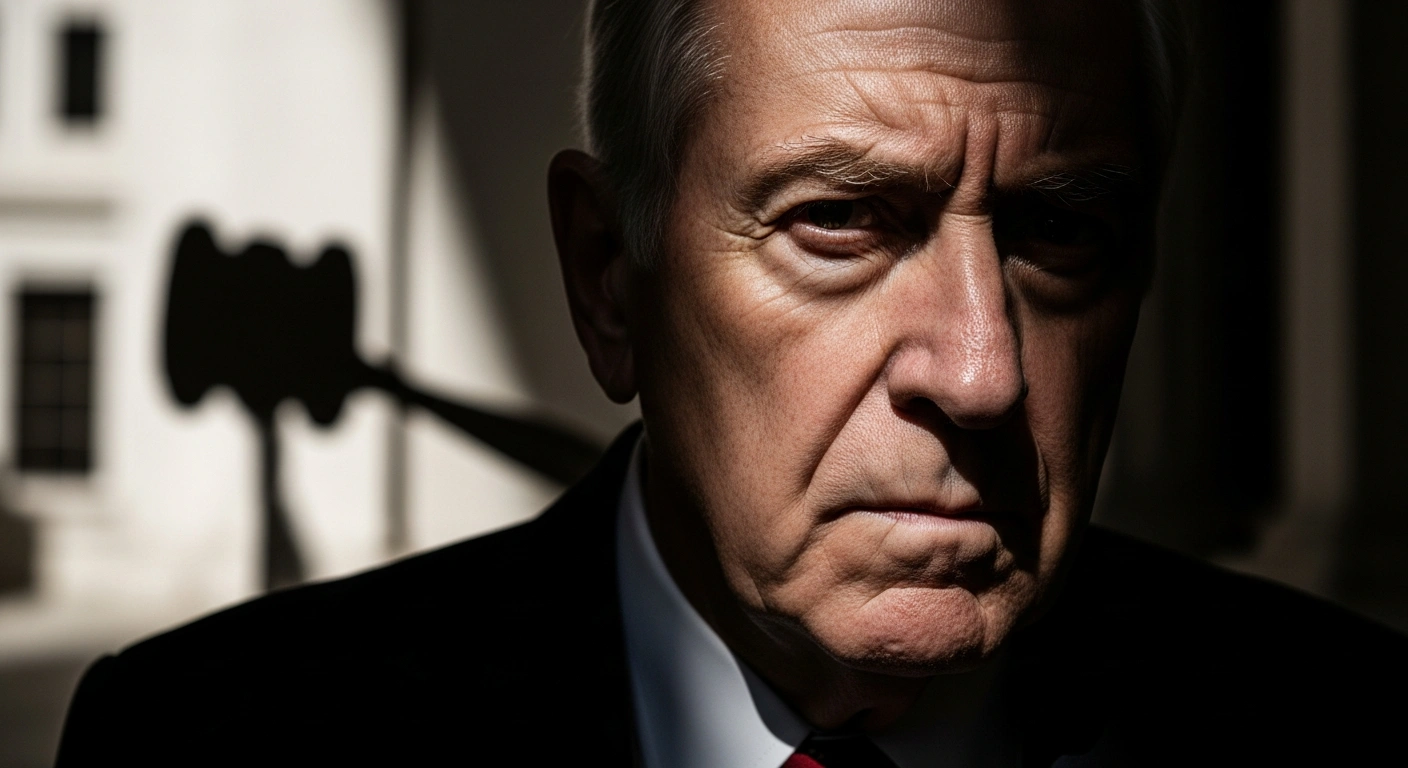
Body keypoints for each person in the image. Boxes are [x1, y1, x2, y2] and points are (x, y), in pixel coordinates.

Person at [56, 0, 1406, 765]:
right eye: (840, 224)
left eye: (1062, 234)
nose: (983, 372)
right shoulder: (217, 752)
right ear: (606, 277)